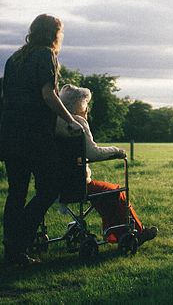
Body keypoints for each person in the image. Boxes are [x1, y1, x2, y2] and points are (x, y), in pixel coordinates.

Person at [0, 14, 83, 266]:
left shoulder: (14, 58)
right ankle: (19, 243)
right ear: (54, 33)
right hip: (33, 137)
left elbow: (6, 97)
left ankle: (12, 250)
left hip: (10, 134)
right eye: (61, 32)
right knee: (49, 189)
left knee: (16, 193)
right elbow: (48, 94)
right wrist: (70, 120)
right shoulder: (46, 55)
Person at [55, 84, 158, 246]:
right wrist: (117, 151)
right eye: (85, 103)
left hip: (56, 184)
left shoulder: (55, 122)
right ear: (78, 104)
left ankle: (118, 234)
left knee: (105, 194)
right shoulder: (77, 122)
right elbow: (93, 153)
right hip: (77, 184)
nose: (87, 108)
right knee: (115, 191)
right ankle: (136, 232)